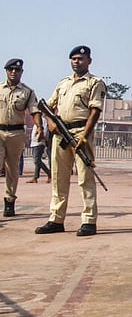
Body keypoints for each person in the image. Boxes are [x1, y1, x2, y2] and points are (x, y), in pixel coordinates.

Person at [35, 46, 106, 236]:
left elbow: (95, 111)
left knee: (85, 177)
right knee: (59, 177)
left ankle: (89, 221)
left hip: (81, 131)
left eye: (81, 58)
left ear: (89, 61)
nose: (77, 61)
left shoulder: (94, 83)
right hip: (60, 132)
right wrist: (50, 123)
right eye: (73, 58)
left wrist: (84, 136)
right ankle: (56, 219)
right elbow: (47, 106)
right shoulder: (63, 83)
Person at [2, 58, 41, 217]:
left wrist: (39, 126)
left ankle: (9, 201)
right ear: (6, 71)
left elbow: (34, 110)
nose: (13, 72)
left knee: (12, 170)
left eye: (17, 70)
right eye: (10, 69)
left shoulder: (27, 92)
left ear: (21, 72)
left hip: (16, 134)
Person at [27, 117, 52, 184]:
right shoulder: (36, 120)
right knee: (37, 161)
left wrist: (43, 138)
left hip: (39, 142)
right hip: (34, 142)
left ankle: (49, 173)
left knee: (36, 160)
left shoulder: (43, 120)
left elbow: (45, 131)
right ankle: (35, 177)